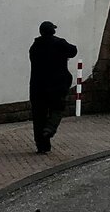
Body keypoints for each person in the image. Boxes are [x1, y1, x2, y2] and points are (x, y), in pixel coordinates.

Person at [29, 20, 77, 154]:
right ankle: (49, 129)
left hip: (37, 87)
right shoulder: (59, 43)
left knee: (39, 116)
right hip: (57, 86)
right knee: (57, 109)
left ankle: (42, 146)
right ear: (53, 31)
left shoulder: (35, 46)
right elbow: (73, 51)